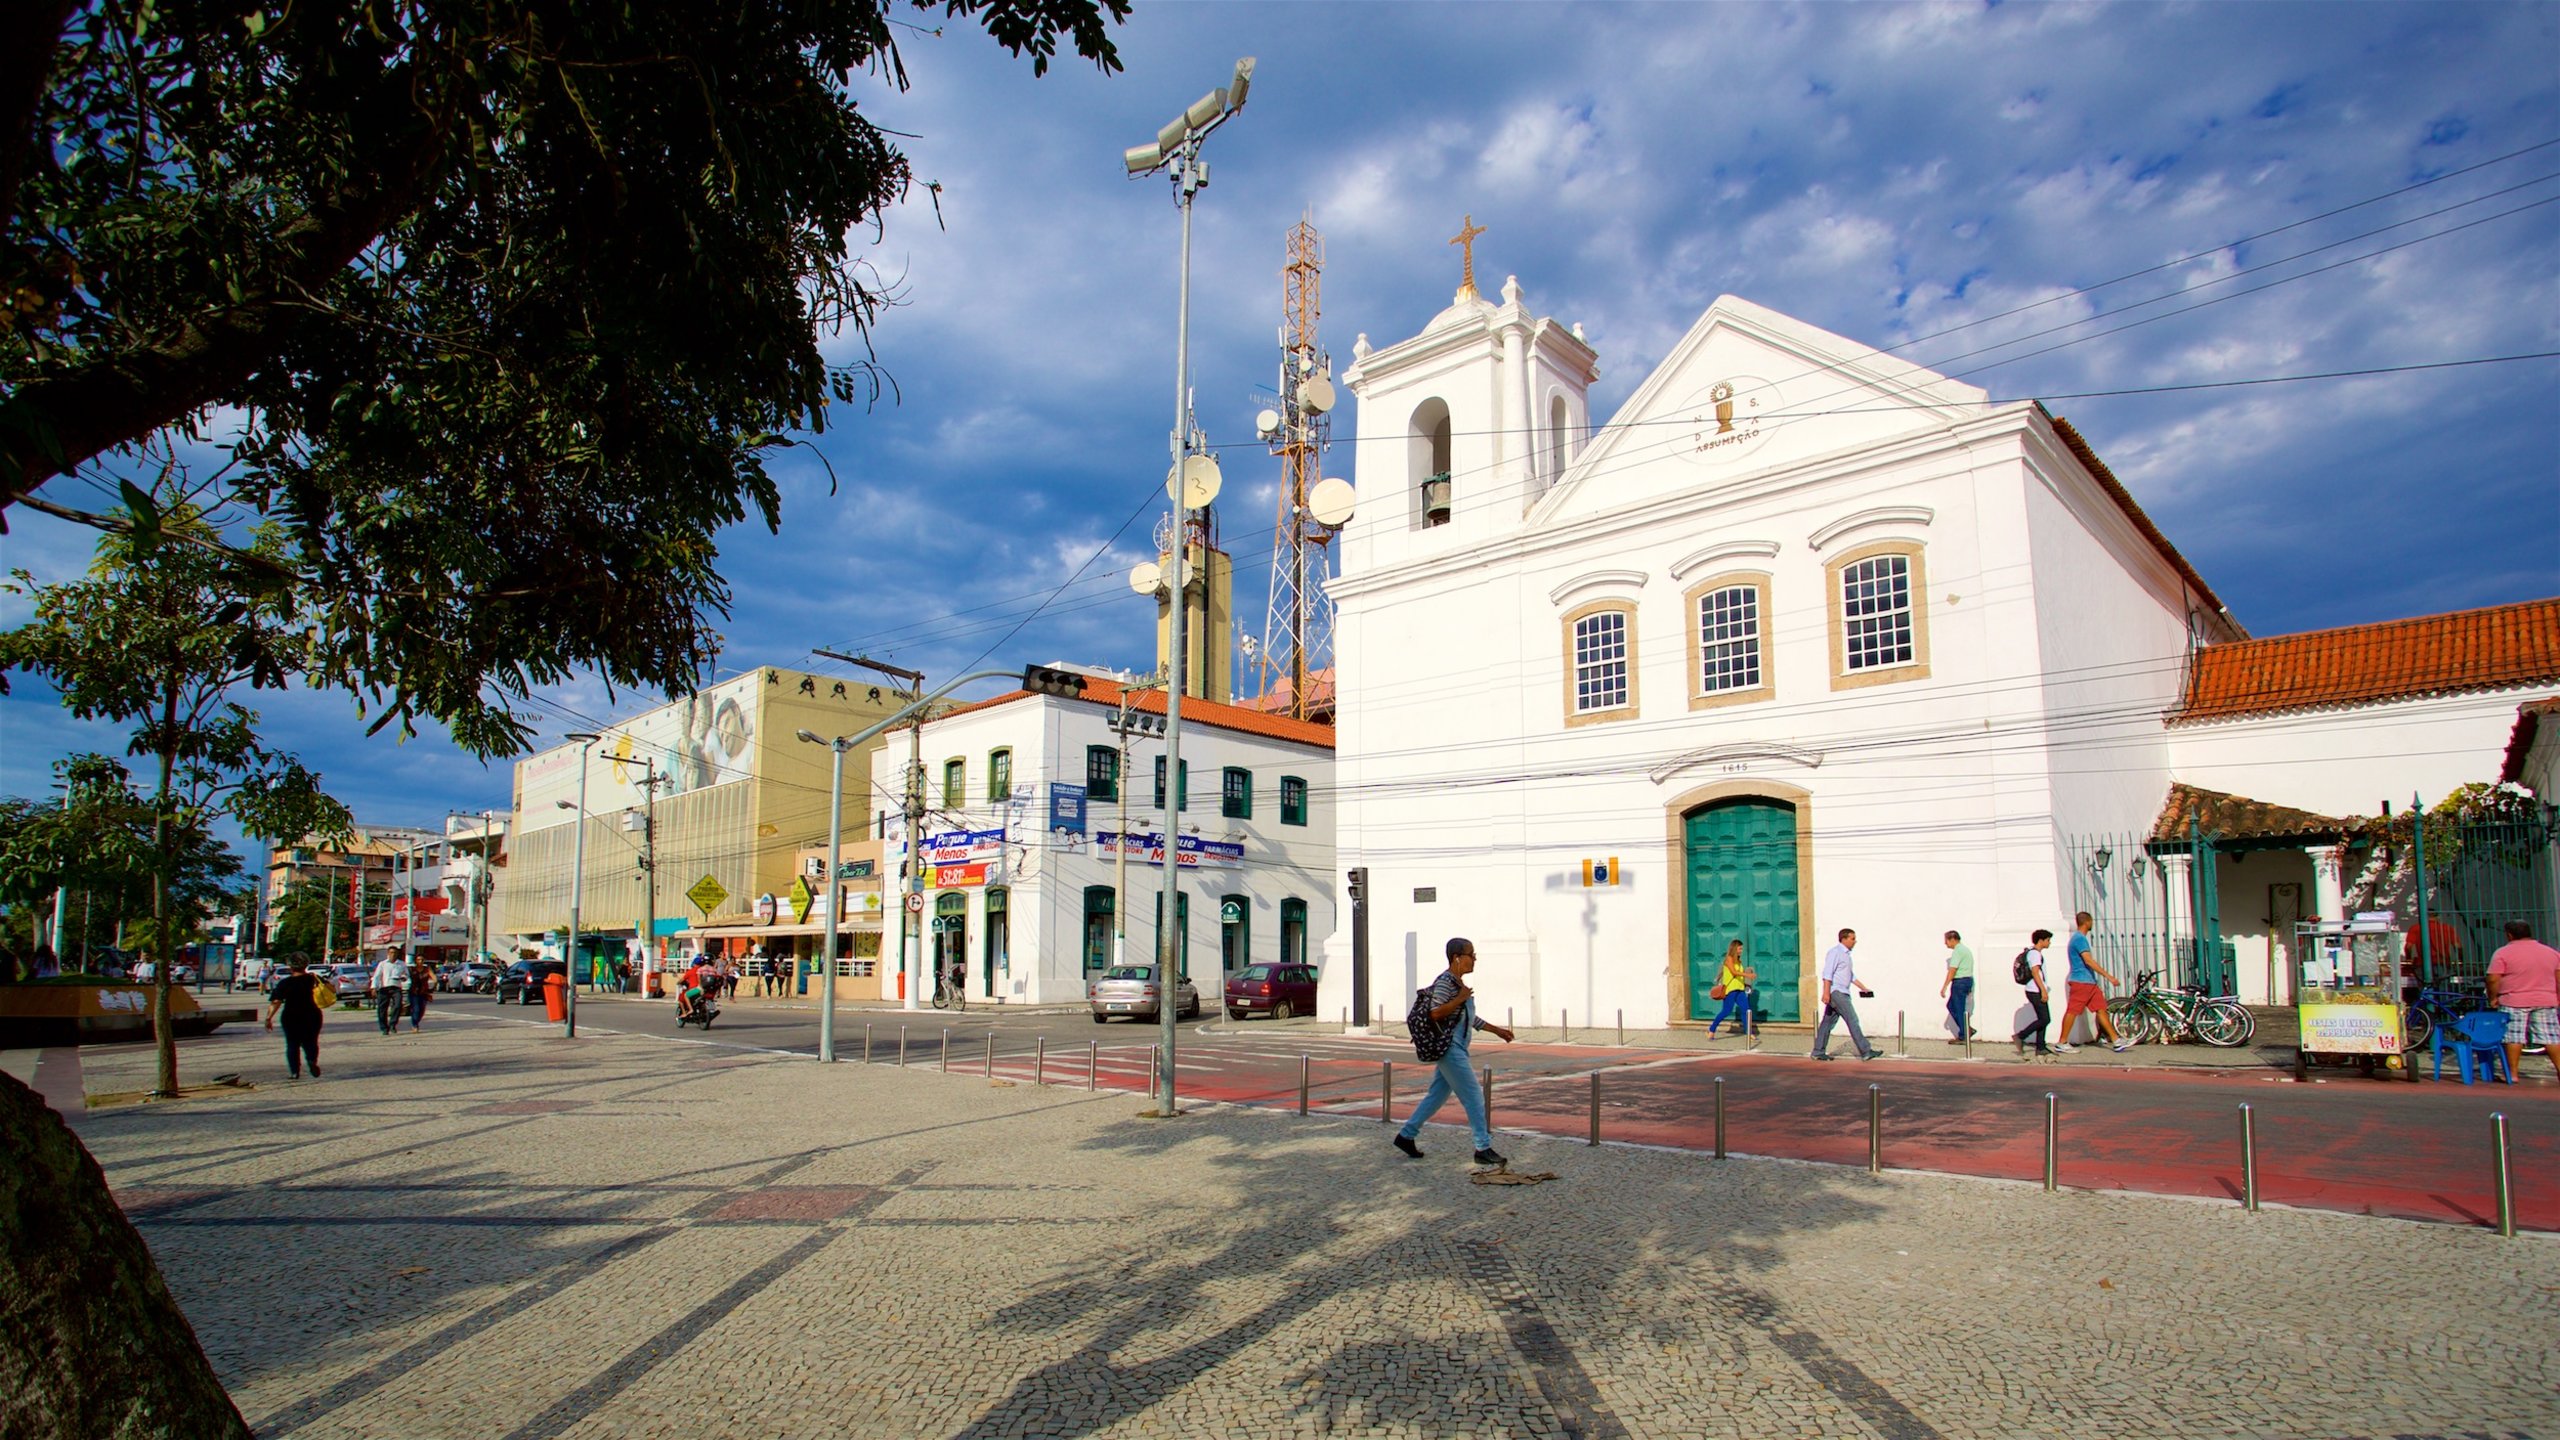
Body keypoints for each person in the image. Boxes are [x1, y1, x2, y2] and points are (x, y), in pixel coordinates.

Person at [1392, 937, 1516, 1166]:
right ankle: (1483, 1147)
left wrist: (1496, 1030)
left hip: (1456, 1046)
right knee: (1474, 1097)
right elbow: (1435, 1013)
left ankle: (1406, 1136)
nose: (1474, 959)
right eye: (1471, 954)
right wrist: (1459, 998)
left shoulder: (1458, 983)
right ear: (1457, 958)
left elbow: (1468, 1017)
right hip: (1450, 1048)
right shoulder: (1446, 983)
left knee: (1436, 1096)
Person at [2486, 919, 2560, 1083]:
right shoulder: (2550, 952)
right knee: (2551, 1037)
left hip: (2514, 999)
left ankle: (2512, 1073)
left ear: (2509, 935)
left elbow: (2493, 979)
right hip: (2546, 999)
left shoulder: (2503, 953)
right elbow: (2558, 977)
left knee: (2514, 1037)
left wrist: (2493, 997)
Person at [2055, 911, 2132, 1054]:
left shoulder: (2078, 938)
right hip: (2081, 981)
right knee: (2073, 1011)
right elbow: (2088, 960)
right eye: (2092, 921)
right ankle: (2062, 1042)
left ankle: (2116, 1041)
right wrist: (2109, 976)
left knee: (2101, 1008)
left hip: (2089, 982)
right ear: (2088, 922)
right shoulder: (2079, 939)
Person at [1811, 928, 1880, 1061]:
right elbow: (1827, 973)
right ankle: (1866, 1051)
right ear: (1844, 939)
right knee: (1852, 1019)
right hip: (1837, 993)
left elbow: (1850, 976)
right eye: (1852, 939)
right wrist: (1826, 993)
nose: (1855, 941)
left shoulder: (1846, 955)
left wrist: (1863, 988)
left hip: (1839, 992)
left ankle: (1818, 1052)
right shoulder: (1835, 952)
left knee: (1827, 1022)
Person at [263, 953, 328, 1079]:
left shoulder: (285, 983)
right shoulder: (314, 979)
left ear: (290, 966)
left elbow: (276, 1001)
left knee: (292, 1044)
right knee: (311, 1041)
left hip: (291, 1016)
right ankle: (311, 1060)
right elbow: (330, 989)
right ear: (306, 964)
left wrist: (268, 1018)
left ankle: (294, 1072)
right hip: (312, 1015)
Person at [2014, 930, 2057, 1057]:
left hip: (2034, 990)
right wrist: (2043, 990)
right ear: (2041, 940)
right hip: (2035, 990)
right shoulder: (2034, 954)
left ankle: (2041, 1047)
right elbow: (2035, 972)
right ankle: (2021, 1036)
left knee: (2043, 1019)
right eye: (2048, 940)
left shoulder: (2033, 953)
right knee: (2045, 1019)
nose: (2049, 942)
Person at [1705, 939, 1755, 1036]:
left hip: (1740, 989)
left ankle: (1749, 1033)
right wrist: (1747, 975)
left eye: (1742, 949)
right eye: (1740, 949)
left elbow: (1738, 976)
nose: (1741, 951)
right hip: (1730, 990)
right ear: (1735, 948)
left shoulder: (1739, 961)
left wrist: (1745, 984)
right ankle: (1711, 1029)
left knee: (1746, 1010)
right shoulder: (1729, 959)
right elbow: (1733, 972)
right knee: (1726, 1011)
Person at [1940, 930, 1977, 1043]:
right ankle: (1966, 1029)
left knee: (1958, 1008)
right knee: (1953, 1006)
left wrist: (1945, 986)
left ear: (1952, 939)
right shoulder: (1965, 950)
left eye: (1946, 940)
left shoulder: (1958, 951)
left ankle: (1964, 1034)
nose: (1945, 943)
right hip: (1967, 981)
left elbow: (1953, 969)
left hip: (1960, 982)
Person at [370, 951, 405, 1035]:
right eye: (391, 953)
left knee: (397, 1005)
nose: (393, 954)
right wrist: (374, 987)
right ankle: (384, 1028)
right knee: (382, 1008)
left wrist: (404, 977)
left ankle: (392, 1024)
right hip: (384, 988)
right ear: (388, 954)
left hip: (396, 987)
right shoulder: (383, 964)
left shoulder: (401, 964)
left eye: (394, 953)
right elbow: (377, 976)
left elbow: (406, 974)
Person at [407, 956, 434, 1030]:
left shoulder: (427, 969)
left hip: (424, 991)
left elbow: (434, 978)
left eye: (422, 959)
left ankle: (416, 1022)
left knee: (422, 1010)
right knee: (416, 1009)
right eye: (418, 959)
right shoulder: (412, 969)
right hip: (414, 991)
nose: (420, 961)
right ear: (415, 961)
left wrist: (433, 987)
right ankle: (414, 1025)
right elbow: (406, 977)